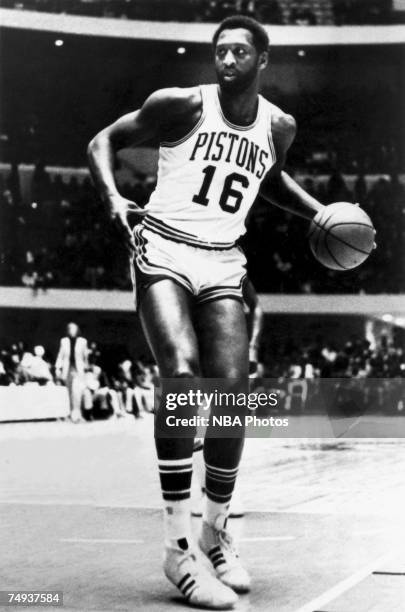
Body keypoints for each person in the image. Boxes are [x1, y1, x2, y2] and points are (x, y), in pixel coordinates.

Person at [88, 15, 325, 609]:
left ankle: (215, 533)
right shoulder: (182, 106)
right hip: (163, 245)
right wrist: (115, 197)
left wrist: (319, 211)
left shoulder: (279, 125)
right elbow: (102, 142)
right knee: (182, 373)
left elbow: (265, 179)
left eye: (239, 52)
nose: (226, 60)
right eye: (219, 51)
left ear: (262, 60)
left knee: (233, 398)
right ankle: (176, 550)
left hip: (223, 260)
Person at [55, 322, 89, 423]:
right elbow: (60, 355)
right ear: (68, 330)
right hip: (67, 369)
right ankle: (69, 414)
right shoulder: (64, 341)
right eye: (70, 329)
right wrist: (58, 367)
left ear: (77, 330)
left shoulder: (83, 341)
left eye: (74, 329)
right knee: (68, 392)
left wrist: (86, 368)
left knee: (77, 392)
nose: (72, 331)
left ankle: (77, 414)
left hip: (78, 369)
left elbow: (85, 356)